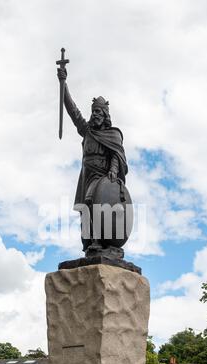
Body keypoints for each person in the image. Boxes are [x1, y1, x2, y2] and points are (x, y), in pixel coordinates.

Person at [57, 67, 128, 253]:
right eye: (93, 111)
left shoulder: (113, 134)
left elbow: (117, 154)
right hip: (87, 175)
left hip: (102, 177)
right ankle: (90, 243)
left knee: (92, 202)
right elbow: (73, 112)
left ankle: (98, 240)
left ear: (105, 115)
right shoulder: (87, 130)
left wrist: (113, 170)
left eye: (98, 112)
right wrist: (63, 86)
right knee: (85, 209)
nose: (95, 114)